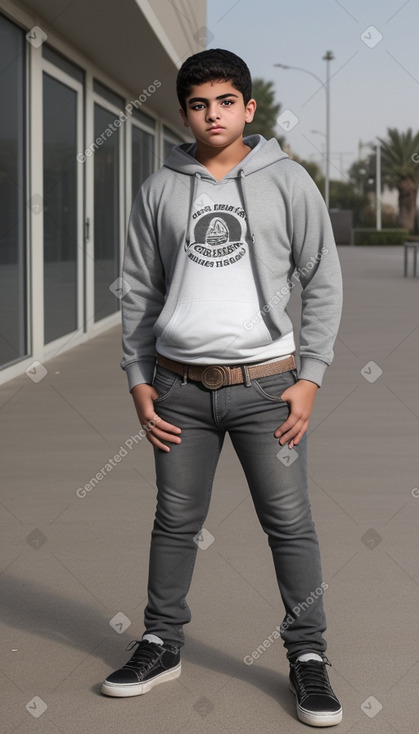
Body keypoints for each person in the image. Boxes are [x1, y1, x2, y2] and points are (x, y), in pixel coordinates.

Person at [101, 48, 343, 727]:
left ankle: (307, 657)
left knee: (289, 524)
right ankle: (160, 642)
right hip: (177, 390)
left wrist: (310, 378)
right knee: (174, 523)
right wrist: (137, 379)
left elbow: (321, 280)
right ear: (185, 112)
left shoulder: (288, 182)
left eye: (225, 101)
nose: (214, 114)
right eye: (200, 104)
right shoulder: (158, 191)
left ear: (248, 108)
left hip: (269, 389)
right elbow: (138, 294)